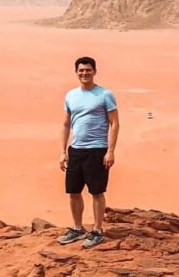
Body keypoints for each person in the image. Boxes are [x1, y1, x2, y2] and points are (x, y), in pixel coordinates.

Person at [56, 56, 119, 249]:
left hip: (97, 150)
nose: (84, 73)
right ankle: (77, 228)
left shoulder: (104, 95)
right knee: (74, 192)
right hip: (76, 150)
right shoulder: (71, 95)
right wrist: (63, 151)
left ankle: (98, 230)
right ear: (76, 72)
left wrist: (110, 151)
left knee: (96, 192)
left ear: (94, 71)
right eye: (81, 70)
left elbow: (114, 123)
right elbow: (66, 124)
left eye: (88, 70)